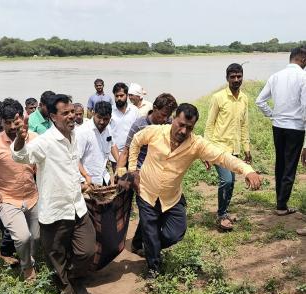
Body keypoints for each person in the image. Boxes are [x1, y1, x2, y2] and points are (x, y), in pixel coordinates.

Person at [128, 103, 261, 275]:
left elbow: (222, 157)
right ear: (174, 119)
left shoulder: (196, 144)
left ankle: (147, 243)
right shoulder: (155, 132)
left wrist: (247, 170)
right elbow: (136, 141)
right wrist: (133, 171)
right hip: (146, 190)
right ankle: (154, 268)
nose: (183, 131)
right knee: (150, 228)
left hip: (171, 197)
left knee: (174, 234)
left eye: (189, 128)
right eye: (181, 124)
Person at [11, 94, 95, 294]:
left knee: (86, 250)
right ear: (54, 116)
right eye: (65, 113)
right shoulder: (44, 142)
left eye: (71, 112)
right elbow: (21, 156)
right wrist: (20, 137)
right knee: (56, 257)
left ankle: (75, 279)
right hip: (55, 211)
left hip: (77, 206)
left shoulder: (74, 136)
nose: (71, 116)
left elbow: (71, 163)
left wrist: (83, 180)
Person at [0, 98, 40, 281]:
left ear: (22, 119)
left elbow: (41, 168)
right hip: (7, 199)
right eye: (7, 123)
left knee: (37, 238)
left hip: (32, 196)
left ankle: (31, 259)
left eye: (15, 122)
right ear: (1, 122)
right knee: (22, 238)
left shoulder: (34, 139)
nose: (12, 127)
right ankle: (27, 268)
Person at [116, 93, 178, 257]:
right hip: (141, 175)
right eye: (163, 114)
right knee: (148, 210)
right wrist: (121, 173)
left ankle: (137, 242)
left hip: (161, 175)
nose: (166, 119)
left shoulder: (169, 123)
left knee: (151, 210)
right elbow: (127, 150)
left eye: (169, 116)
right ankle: (147, 248)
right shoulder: (139, 124)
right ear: (154, 109)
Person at [256, 46, 306, 216]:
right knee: (290, 166)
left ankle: (280, 201)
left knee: (280, 164)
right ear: (303, 60)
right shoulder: (303, 76)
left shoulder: (275, 76)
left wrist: (273, 115)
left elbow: (260, 101)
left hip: (278, 126)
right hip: (295, 128)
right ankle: (281, 206)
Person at [204, 63, 251, 231]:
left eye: (239, 76)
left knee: (231, 183)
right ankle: (221, 215)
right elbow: (209, 125)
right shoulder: (218, 97)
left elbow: (245, 124)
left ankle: (224, 211)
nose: (236, 80)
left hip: (235, 149)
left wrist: (247, 147)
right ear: (227, 78)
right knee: (227, 180)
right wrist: (206, 152)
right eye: (233, 77)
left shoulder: (244, 98)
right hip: (218, 148)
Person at [76, 101, 119, 186]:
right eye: (99, 117)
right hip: (87, 181)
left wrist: (119, 164)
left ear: (110, 117)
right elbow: (75, 159)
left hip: (103, 177)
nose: (102, 122)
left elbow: (112, 145)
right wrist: (85, 176)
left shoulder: (108, 129)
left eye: (106, 119)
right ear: (93, 114)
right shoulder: (83, 132)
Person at [109, 82, 139, 172]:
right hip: (115, 155)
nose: (119, 98)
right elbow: (108, 135)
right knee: (119, 181)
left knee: (131, 181)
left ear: (127, 95)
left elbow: (139, 132)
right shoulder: (110, 111)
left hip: (132, 154)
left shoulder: (134, 110)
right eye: (116, 96)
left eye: (121, 95)